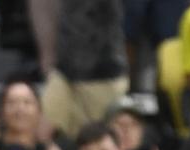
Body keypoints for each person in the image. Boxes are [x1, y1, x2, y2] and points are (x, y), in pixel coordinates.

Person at [28, 0, 129, 138]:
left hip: (103, 74)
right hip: (65, 70)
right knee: (39, 132)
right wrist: (49, 59)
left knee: (95, 140)